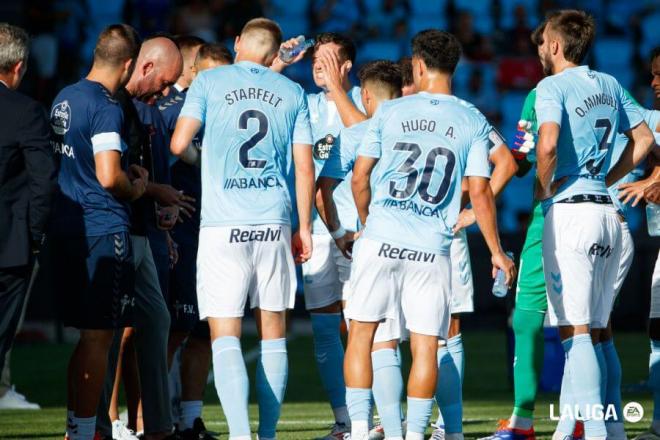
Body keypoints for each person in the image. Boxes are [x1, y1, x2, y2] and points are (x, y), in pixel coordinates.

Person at [343, 29, 516, 440]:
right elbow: (479, 189)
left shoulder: (389, 112)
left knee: (363, 335)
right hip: (432, 247)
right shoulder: (471, 117)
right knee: (427, 347)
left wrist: (368, 222)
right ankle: (419, 434)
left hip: (380, 238)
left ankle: (360, 428)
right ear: (454, 69)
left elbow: (360, 176)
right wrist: (495, 250)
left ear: (418, 66)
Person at [171, 18, 315, 440]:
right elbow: (304, 165)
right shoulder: (292, 92)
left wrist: (208, 160)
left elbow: (179, 145)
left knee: (225, 334)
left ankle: (239, 435)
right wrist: (304, 226)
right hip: (273, 220)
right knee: (273, 335)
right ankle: (267, 435)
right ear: (273, 56)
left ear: (236, 43)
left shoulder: (209, 81)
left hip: (222, 226)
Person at [533, 9, 654, 440]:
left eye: (544, 41)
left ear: (557, 45)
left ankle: (598, 433)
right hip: (611, 215)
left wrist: (542, 189)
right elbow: (644, 140)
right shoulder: (610, 83)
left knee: (576, 333)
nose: (541, 48)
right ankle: (610, 430)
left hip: (573, 213)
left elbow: (546, 144)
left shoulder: (552, 86)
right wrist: (610, 177)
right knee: (600, 334)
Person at [49, 24, 146, 440]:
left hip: (68, 226)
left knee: (86, 337)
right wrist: (137, 187)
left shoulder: (64, 96)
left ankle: (77, 428)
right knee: (98, 340)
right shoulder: (107, 106)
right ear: (128, 65)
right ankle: (87, 432)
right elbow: (109, 177)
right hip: (103, 229)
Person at [273, 31, 367, 439]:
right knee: (327, 331)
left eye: (327, 60)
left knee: (366, 328)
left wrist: (338, 90)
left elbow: (367, 133)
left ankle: (374, 417)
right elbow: (258, 89)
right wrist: (279, 62)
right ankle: (344, 420)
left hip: (363, 232)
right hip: (317, 232)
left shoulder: (366, 96)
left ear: (346, 66)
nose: (318, 66)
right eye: (315, 60)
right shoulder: (303, 104)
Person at [97, 35, 184, 440]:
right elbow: (112, 175)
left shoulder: (135, 110)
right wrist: (154, 191)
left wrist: (155, 207)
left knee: (154, 319)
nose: (166, 92)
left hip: (139, 229)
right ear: (144, 67)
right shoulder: (107, 106)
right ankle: (100, 420)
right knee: (109, 330)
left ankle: (155, 425)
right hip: (112, 227)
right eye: (164, 82)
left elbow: (138, 173)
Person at [316, 60, 403, 440]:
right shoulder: (419, 130)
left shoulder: (355, 135)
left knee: (361, 335)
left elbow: (327, 190)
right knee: (407, 341)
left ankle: (360, 427)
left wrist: (342, 232)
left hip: (371, 244)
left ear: (365, 95)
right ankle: (406, 429)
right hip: (418, 245)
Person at [160, 39, 232, 440]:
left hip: (220, 230)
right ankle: (149, 419)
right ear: (195, 70)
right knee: (174, 328)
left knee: (205, 329)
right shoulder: (173, 112)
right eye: (214, 76)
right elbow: (154, 164)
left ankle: (189, 420)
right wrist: (161, 207)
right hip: (184, 234)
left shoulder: (228, 111)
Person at [0, 22, 57, 410]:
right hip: (9, 248)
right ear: (19, 68)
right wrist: (35, 236)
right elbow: (44, 182)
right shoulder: (26, 111)